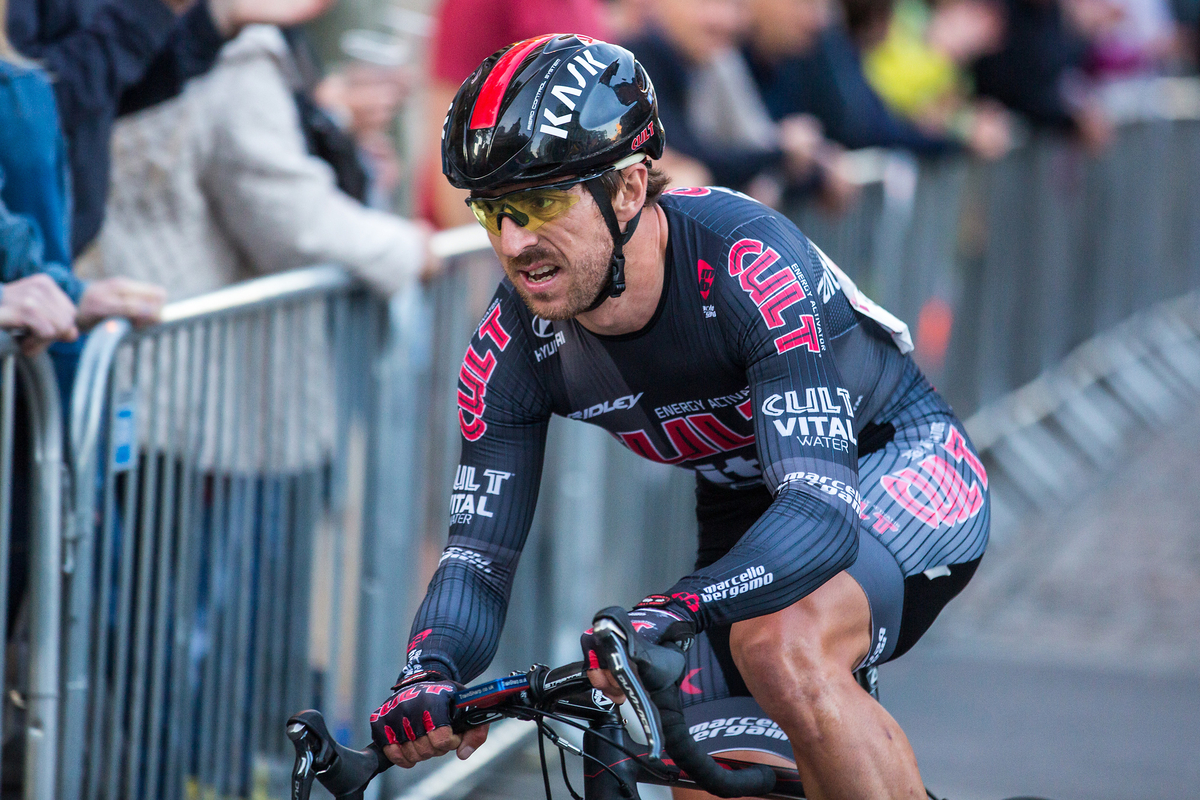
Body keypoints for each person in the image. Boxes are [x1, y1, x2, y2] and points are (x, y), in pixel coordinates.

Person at [366, 34, 990, 799]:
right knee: (697, 769)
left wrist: (680, 607)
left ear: (629, 189)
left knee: (780, 647)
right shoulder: (510, 351)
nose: (514, 241)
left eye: (542, 203)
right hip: (748, 509)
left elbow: (821, 513)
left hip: (889, 466)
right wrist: (427, 672)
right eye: (493, 210)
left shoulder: (747, 263)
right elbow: (476, 560)